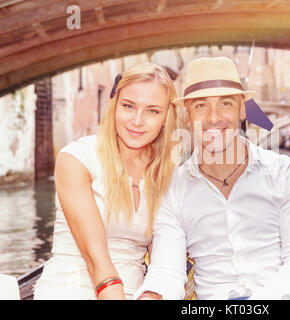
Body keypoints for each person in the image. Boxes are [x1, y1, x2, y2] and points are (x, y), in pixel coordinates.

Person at [134, 57, 290, 300]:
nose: (214, 118)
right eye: (201, 106)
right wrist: (151, 296)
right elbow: (168, 270)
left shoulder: (287, 175)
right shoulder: (173, 189)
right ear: (187, 115)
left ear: (242, 109)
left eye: (225, 103)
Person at [34, 62, 181, 300]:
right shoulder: (77, 159)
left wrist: (152, 296)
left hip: (136, 292)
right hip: (69, 287)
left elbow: (162, 261)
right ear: (114, 106)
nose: (137, 121)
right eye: (128, 106)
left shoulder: (169, 174)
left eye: (152, 111)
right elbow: (95, 258)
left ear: (166, 117)